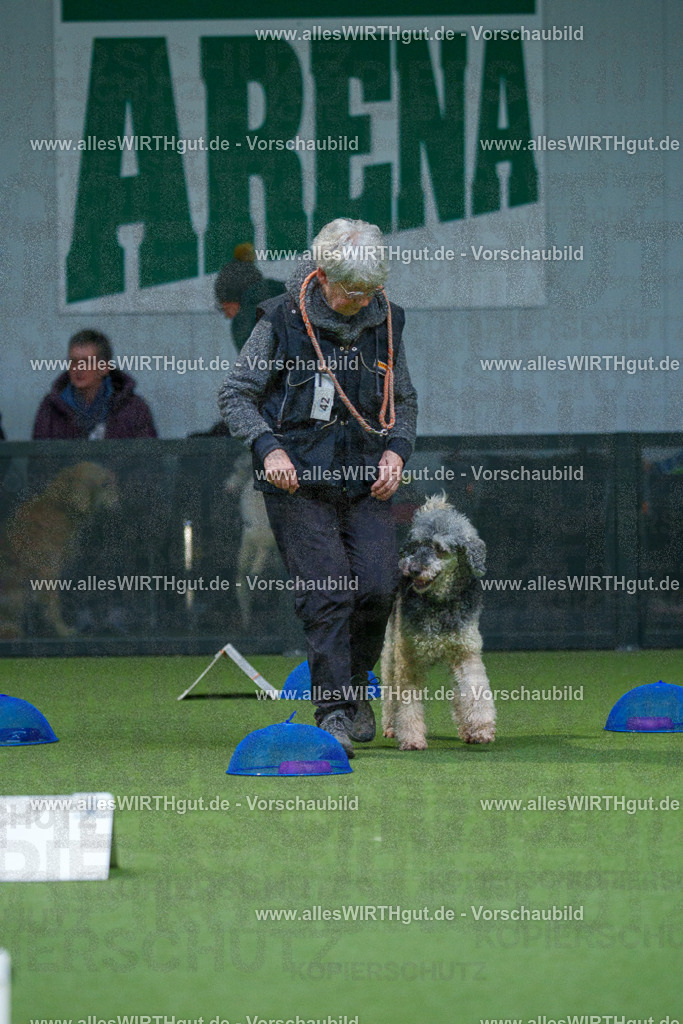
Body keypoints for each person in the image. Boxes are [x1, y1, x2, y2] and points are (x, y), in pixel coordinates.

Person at [218, 218, 418, 757]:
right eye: (348, 289)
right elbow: (236, 394)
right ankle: (332, 712)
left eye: (368, 290)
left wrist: (397, 453)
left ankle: (352, 693)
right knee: (329, 593)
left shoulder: (388, 323)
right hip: (297, 482)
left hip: (366, 482)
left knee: (377, 588)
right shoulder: (280, 320)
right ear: (323, 275)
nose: (357, 300)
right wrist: (268, 447)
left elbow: (403, 402)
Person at [33, 330, 157, 439]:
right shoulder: (51, 407)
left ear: (104, 367)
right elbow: (39, 460)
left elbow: (149, 460)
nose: (78, 369)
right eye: (73, 361)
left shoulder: (134, 408)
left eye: (86, 362)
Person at [215, 243, 286, 351]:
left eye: (225, 308)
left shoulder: (244, 324)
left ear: (235, 300)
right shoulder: (279, 299)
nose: (227, 315)